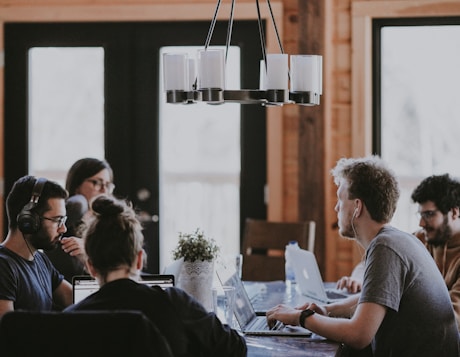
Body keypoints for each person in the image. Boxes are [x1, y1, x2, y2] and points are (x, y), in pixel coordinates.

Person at [266, 156, 459, 356]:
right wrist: (327, 310)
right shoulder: (399, 240)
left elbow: (359, 335)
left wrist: (300, 317)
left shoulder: (385, 247)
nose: (336, 208)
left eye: (340, 199)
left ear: (357, 207)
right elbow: (375, 298)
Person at [64, 195, 246, 356]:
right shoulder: (174, 303)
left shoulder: (70, 320)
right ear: (139, 259)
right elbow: (235, 348)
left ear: (90, 267)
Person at [0, 176, 73, 318]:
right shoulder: (3, 267)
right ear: (28, 220)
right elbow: (6, 334)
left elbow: (76, 301)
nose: (63, 229)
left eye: (63, 220)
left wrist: (87, 258)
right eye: (57, 220)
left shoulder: (40, 259)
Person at [45, 158, 115, 282]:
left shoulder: (111, 221)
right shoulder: (68, 216)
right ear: (77, 185)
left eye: (108, 185)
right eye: (97, 183)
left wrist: (88, 250)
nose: (104, 190)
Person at [411, 173, 460, 329]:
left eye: (429, 214)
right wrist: (358, 280)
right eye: (420, 214)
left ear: (454, 212)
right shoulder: (421, 238)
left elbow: (453, 315)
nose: (421, 223)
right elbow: (378, 259)